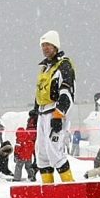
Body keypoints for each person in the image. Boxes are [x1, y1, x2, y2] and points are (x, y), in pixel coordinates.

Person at [26, 32, 78, 184]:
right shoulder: (44, 69)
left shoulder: (64, 65)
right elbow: (39, 92)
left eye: (48, 45)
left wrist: (59, 113)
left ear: (55, 46)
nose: (45, 48)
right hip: (43, 113)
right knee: (41, 154)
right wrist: (35, 113)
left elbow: (66, 91)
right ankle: (47, 189)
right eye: (43, 45)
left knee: (55, 151)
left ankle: (69, 186)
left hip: (55, 111)